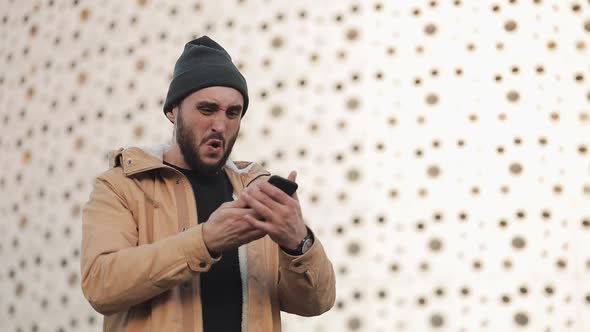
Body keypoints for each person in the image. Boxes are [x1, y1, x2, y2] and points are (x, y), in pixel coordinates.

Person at [80, 35, 336, 331]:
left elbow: (317, 303)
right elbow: (100, 285)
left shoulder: (257, 192)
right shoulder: (122, 185)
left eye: (233, 113)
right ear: (172, 111)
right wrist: (206, 241)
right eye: (207, 109)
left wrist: (298, 243)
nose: (220, 125)